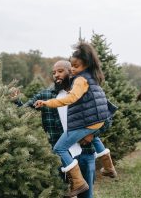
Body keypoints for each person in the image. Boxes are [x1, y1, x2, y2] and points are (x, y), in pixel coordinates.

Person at [35, 42, 117, 197]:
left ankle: (79, 182)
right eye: (71, 66)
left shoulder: (79, 81)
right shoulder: (93, 79)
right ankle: (109, 167)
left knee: (59, 148)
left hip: (86, 138)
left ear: (85, 64)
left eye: (74, 67)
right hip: (95, 121)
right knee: (92, 135)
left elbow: (71, 98)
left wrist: (48, 103)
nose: (72, 70)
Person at [11, 60, 97, 198]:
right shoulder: (45, 95)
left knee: (86, 195)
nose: (56, 75)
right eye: (54, 72)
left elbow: (106, 115)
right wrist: (16, 101)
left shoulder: (84, 91)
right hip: (59, 156)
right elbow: (24, 110)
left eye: (60, 71)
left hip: (84, 153)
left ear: (71, 72)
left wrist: (92, 134)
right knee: (62, 193)